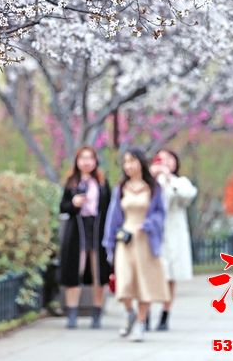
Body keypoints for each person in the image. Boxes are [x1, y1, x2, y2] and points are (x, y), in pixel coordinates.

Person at [103, 147, 170, 343]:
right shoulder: (120, 188)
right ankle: (129, 312)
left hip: (146, 240)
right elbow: (113, 217)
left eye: (132, 161)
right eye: (125, 162)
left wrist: (149, 224)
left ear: (141, 162)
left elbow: (160, 214)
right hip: (125, 240)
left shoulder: (154, 188)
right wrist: (110, 241)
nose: (128, 166)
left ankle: (141, 323)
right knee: (123, 284)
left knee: (144, 284)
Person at [59, 146, 111, 329]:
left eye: (90, 158)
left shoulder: (102, 183)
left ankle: (97, 313)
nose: (86, 162)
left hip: (98, 231)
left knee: (99, 273)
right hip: (77, 232)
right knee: (75, 271)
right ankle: (71, 313)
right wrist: (73, 204)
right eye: (83, 158)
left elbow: (110, 209)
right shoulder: (71, 182)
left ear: (96, 161)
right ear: (77, 161)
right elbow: (62, 207)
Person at [150, 148, 198, 330]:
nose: (165, 163)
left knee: (170, 276)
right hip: (154, 233)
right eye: (161, 159)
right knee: (151, 274)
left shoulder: (180, 182)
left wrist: (169, 178)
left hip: (173, 234)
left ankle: (164, 314)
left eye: (169, 159)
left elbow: (186, 195)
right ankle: (145, 313)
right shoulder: (151, 182)